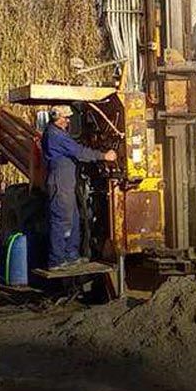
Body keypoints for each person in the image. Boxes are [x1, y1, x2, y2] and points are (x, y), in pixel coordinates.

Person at [43, 104, 116, 270]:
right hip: (60, 182)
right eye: (65, 118)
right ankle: (57, 260)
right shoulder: (55, 135)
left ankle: (71, 255)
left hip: (67, 182)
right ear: (57, 118)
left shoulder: (59, 133)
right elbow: (79, 152)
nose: (68, 121)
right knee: (62, 220)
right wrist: (104, 155)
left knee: (74, 218)